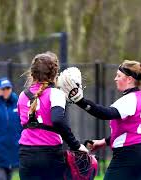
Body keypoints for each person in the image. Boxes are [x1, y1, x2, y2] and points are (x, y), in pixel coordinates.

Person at [59, 60, 141, 180]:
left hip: (130, 156)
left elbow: (106, 113)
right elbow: (133, 131)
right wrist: (103, 142)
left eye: (119, 76)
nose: (115, 79)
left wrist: (81, 101)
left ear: (129, 79)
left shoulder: (130, 99)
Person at [17, 52, 88, 180]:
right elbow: (57, 120)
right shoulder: (56, 94)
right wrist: (76, 145)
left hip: (26, 154)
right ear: (55, 73)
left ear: (32, 73)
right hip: (50, 153)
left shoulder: (22, 95)